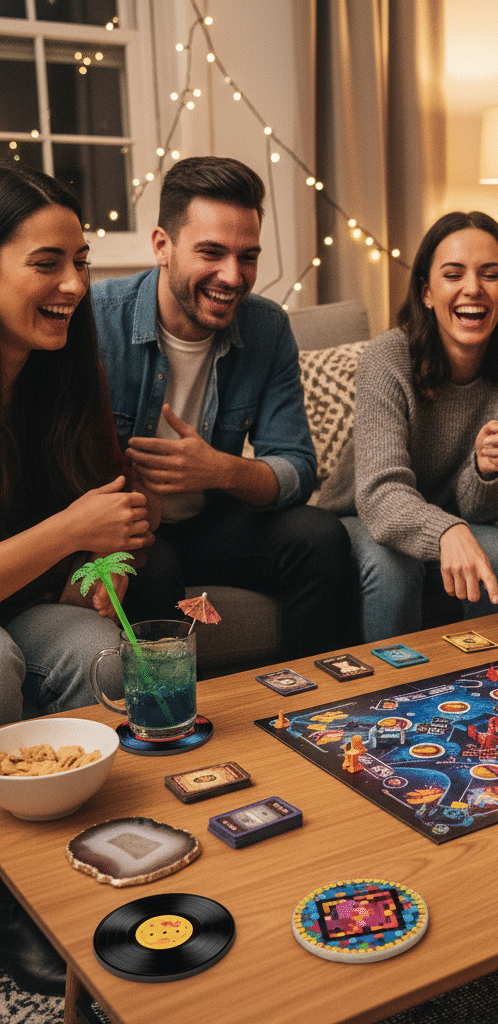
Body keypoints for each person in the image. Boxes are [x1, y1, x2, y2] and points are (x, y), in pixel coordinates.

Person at [91, 156, 355, 658]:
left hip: (214, 523)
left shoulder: (266, 327)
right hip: (131, 530)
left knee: (320, 536)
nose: (232, 277)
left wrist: (218, 470)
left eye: (247, 256)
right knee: (153, 566)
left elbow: (297, 468)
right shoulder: (99, 322)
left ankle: (316, 708)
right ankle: (174, 724)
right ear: (162, 246)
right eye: (211, 252)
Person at [0, 167, 152, 995]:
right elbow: (71, 525)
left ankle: (81, 872)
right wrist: (68, 534)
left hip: (25, 606)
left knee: (101, 650)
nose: (72, 286)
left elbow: (108, 509)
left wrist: (106, 571)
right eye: (47, 263)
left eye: (82, 261)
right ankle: (9, 907)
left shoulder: (65, 366)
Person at [331, 210, 498, 641]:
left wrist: (485, 474)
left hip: (453, 518)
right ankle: (389, 701)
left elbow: (494, 508)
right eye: (453, 274)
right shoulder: (387, 359)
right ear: (427, 293)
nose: (473, 289)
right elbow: (379, 494)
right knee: (394, 568)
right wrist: (447, 529)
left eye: (490, 274)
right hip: (362, 516)